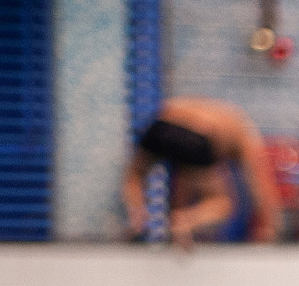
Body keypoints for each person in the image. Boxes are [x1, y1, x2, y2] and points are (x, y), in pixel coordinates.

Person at [121, 97, 283, 247]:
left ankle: (137, 218)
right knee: (222, 204)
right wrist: (270, 229)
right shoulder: (245, 134)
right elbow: (262, 187)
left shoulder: (219, 112)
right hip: (198, 134)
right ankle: (183, 221)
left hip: (161, 124)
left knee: (134, 176)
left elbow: (187, 174)